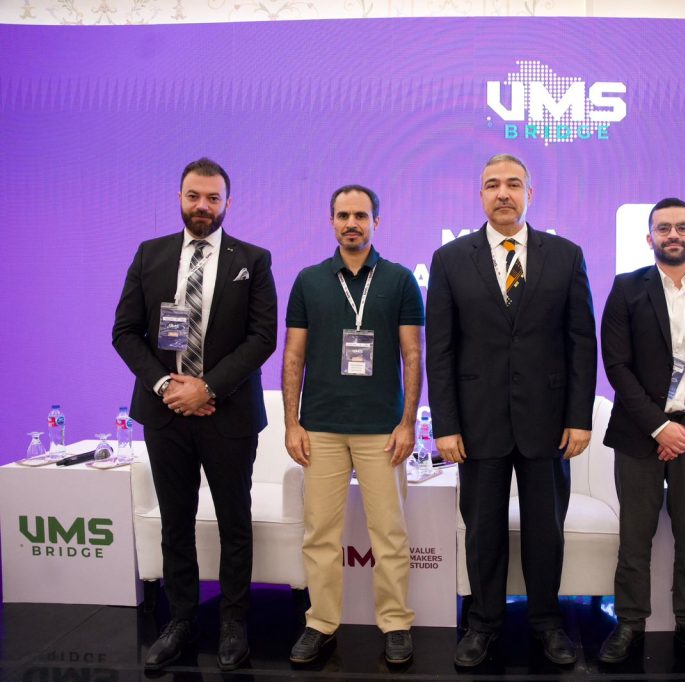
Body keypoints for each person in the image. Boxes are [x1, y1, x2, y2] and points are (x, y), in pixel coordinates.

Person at [425, 154, 597, 667]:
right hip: (477, 423)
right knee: (483, 532)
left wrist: (579, 417)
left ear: (529, 193)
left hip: (548, 423)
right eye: (492, 185)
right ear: (480, 195)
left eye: (513, 184)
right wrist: (446, 424)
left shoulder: (565, 256)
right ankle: (483, 624)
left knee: (546, 531)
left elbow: (581, 343)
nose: (503, 193)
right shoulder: (450, 259)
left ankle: (547, 623)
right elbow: (441, 350)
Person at [112, 157, 277, 671]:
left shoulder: (253, 259)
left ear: (228, 202)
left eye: (212, 197)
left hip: (228, 415)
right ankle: (181, 620)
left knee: (234, 522)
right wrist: (167, 386)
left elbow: (262, 338)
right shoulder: (150, 254)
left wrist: (207, 387)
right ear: (180, 197)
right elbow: (125, 332)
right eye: (193, 196)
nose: (202, 206)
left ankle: (233, 621)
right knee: (175, 522)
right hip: (165, 414)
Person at [282, 185, 422, 666]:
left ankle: (396, 623)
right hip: (320, 427)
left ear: (376, 222)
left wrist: (408, 423)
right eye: (343, 215)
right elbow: (293, 356)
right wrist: (292, 423)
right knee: (320, 533)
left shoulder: (400, 280)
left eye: (360, 215)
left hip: (382, 429)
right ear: (331, 221)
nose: (351, 224)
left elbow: (413, 355)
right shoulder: (309, 280)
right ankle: (321, 623)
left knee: (390, 533)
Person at [598, 197, 685, 667]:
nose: (673, 235)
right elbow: (617, 366)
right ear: (650, 238)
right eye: (664, 228)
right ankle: (629, 624)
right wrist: (660, 427)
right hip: (639, 434)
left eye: (682, 227)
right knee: (634, 540)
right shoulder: (626, 288)